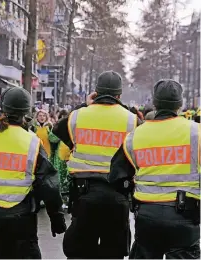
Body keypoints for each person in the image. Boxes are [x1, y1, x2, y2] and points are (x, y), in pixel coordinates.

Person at [53, 71, 141, 259]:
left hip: (84, 194)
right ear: (119, 95)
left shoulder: (78, 116)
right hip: (118, 195)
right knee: (113, 253)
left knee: (80, 253)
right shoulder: (132, 120)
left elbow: (58, 129)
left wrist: (84, 104)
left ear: (96, 92)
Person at [108, 79, 200, 259]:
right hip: (185, 216)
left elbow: (116, 177)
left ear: (155, 103)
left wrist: (133, 194)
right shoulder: (196, 132)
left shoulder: (135, 136)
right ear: (180, 105)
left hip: (147, 215)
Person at [0, 87, 66, 259]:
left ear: (1, 108)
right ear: (26, 112)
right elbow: (49, 184)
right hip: (21, 218)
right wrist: (56, 218)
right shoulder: (31, 141)